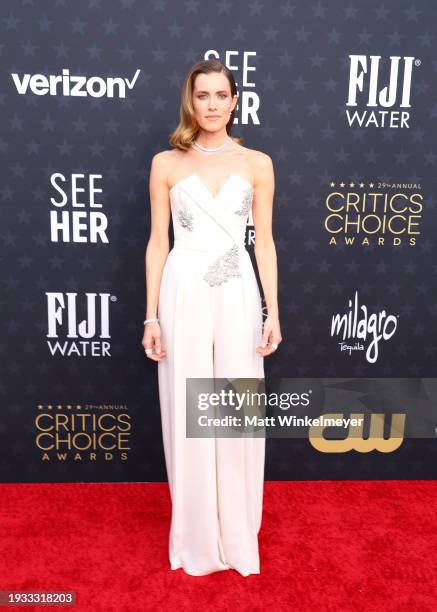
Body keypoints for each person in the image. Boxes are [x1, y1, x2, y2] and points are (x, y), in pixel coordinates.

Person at [142, 58, 281, 576]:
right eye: (203, 96)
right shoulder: (166, 164)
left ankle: (237, 532)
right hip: (184, 291)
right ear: (190, 101)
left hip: (238, 288)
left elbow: (263, 244)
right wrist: (150, 317)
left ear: (235, 101)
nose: (213, 105)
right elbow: (158, 243)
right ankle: (197, 534)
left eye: (221, 95)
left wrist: (273, 310)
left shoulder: (258, 164)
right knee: (189, 407)